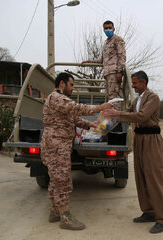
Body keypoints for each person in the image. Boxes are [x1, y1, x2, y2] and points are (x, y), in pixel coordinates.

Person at [41, 72, 112, 230]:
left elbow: (73, 119)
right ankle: (65, 217)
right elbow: (77, 108)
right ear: (62, 84)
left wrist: (91, 125)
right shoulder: (57, 98)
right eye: (71, 85)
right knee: (62, 180)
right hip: (56, 147)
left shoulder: (59, 101)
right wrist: (101, 107)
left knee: (55, 179)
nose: (73, 88)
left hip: (58, 146)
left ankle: (54, 211)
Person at [102, 71, 163, 234]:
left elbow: (141, 116)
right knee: (141, 177)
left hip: (151, 139)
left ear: (144, 82)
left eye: (135, 83)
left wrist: (117, 114)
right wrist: (109, 115)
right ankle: (149, 212)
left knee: (154, 177)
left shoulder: (153, 98)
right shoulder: (137, 99)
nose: (132, 86)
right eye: (132, 83)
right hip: (139, 139)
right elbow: (128, 113)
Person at [82, 20, 126, 109]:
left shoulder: (118, 40)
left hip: (114, 72)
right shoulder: (106, 43)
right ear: (103, 30)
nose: (108, 30)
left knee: (114, 97)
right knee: (109, 97)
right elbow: (102, 60)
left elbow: (122, 56)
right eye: (106, 28)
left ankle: (116, 119)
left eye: (110, 28)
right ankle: (110, 119)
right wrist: (89, 62)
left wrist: (119, 71)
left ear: (114, 29)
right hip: (107, 73)